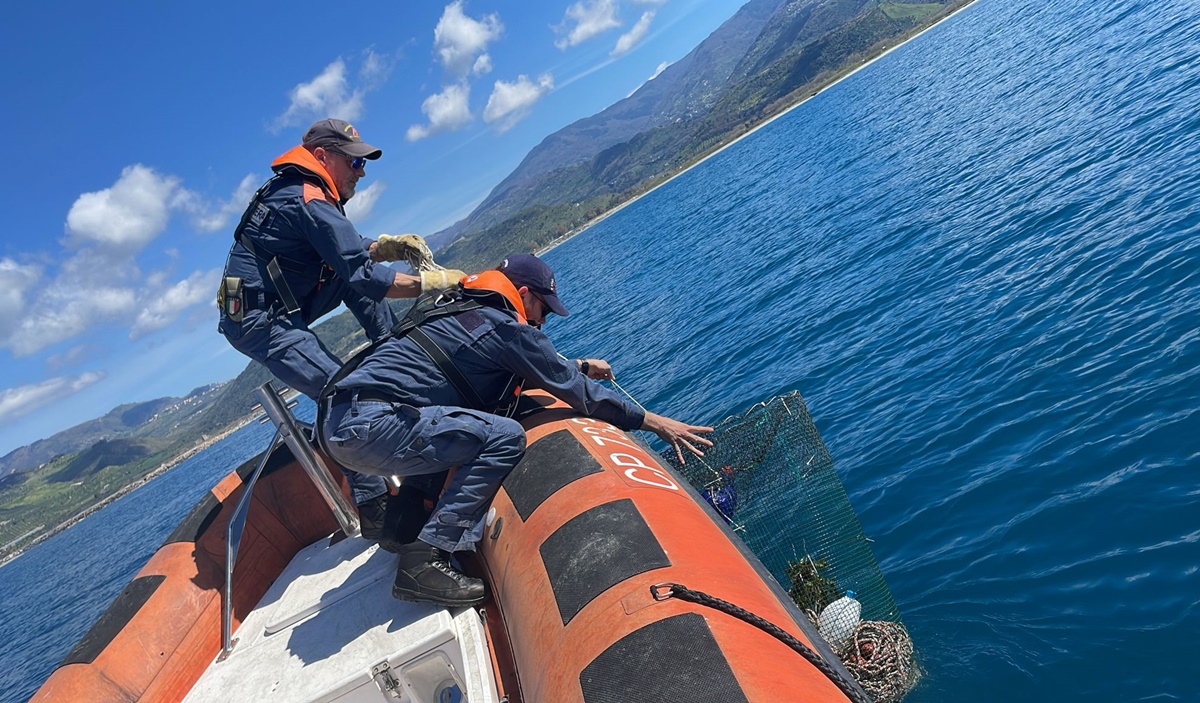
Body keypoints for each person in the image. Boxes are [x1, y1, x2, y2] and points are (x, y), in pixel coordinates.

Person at [319, 254, 713, 606]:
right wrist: (655, 422)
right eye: (542, 309)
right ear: (524, 294)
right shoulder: (508, 327)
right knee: (504, 436)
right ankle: (424, 560)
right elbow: (581, 395)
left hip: (340, 422)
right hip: (374, 426)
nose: (542, 321)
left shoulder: (456, 307)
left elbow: (511, 360)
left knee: (451, 417)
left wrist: (577, 364)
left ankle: (402, 524)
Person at [216, 117, 460, 539]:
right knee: (339, 391)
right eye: (354, 164)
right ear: (323, 157)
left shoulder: (308, 195)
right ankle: (375, 507)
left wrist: (386, 246)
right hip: (259, 320)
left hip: (291, 298)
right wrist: (432, 283)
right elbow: (366, 277)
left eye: (363, 165)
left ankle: (398, 354)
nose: (361, 173)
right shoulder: (306, 199)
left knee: (350, 277)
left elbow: (347, 252)